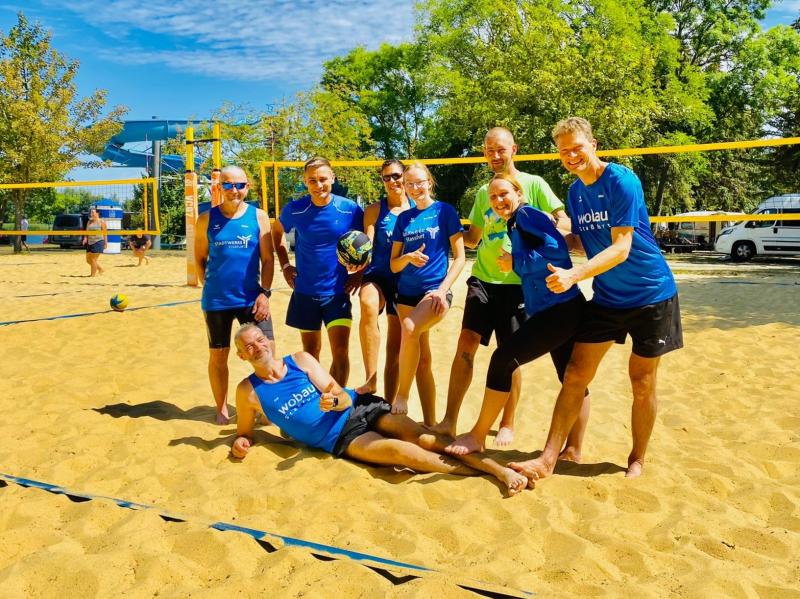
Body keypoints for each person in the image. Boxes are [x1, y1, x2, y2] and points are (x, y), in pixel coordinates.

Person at [509, 117, 683, 481]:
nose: (571, 156)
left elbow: (621, 247)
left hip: (651, 294)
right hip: (608, 297)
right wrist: (541, 238)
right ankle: (548, 458)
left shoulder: (621, 180)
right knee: (575, 373)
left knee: (641, 381)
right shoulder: (575, 192)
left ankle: (637, 458)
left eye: (577, 148)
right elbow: (582, 241)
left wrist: (574, 275)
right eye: (564, 151)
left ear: (593, 144)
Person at [231, 323, 530, 496]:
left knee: (426, 438)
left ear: (268, 340)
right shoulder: (248, 391)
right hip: (342, 438)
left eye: (260, 339)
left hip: (359, 407)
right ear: (242, 355)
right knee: (404, 454)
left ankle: (498, 470)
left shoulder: (300, 360)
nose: (258, 347)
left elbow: (341, 395)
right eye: (250, 346)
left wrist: (333, 401)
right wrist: (241, 444)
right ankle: (484, 472)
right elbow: (244, 433)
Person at [432, 127, 569, 446]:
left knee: (509, 353)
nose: (495, 155)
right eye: (489, 150)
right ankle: (449, 420)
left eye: (500, 149)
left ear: (514, 150)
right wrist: (444, 229)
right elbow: (473, 239)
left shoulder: (534, 184)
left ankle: (507, 421)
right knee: (466, 342)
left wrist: (542, 227)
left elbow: (563, 222)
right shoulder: (485, 192)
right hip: (483, 279)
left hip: (519, 283)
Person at [445, 174, 590, 458]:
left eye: (504, 194)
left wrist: (516, 261)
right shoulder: (516, 220)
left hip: (559, 308)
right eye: (493, 197)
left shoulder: (526, 214)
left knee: (503, 360)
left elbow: (556, 250)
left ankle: (477, 435)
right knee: (571, 377)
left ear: (519, 193)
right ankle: (573, 449)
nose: (498, 200)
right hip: (559, 306)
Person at [272, 157, 364, 386]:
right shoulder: (295, 209)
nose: (318, 185)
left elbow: (367, 243)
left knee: (340, 351)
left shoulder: (350, 209)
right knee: (311, 353)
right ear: (305, 181)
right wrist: (285, 265)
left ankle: (337, 400)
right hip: (305, 292)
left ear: (333, 178)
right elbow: (276, 233)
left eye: (323, 179)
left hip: (337, 293)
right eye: (312, 180)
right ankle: (316, 400)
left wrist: (359, 274)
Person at [195, 165, 275, 425]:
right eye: (228, 185)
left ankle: (266, 407)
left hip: (251, 299)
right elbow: (199, 258)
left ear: (247, 187)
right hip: (217, 301)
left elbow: (268, 259)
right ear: (219, 188)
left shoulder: (258, 217)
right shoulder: (206, 219)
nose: (234, 190)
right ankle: (221, 408)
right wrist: (210, 286)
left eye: (239, 185)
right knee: (219, 356)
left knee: (266, 351)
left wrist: (264, 293)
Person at [389, 162, 465, 424]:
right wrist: (408, 257)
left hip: (434, 291)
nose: (415, 188)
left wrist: (443, 290)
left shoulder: (444, 211)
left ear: (429, 182)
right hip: (406, 294)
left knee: (409, 329)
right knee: (421, 360)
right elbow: (394, 264)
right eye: (409, 184)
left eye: (419, 182)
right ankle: (431, 423)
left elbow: (460, 257)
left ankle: (402, 396)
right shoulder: (404, 219)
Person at [355, 159, 414, 401]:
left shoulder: (417, 208)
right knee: (367, 301)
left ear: (405, 175)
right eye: (386, 177)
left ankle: (389, 404)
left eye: (396, 175)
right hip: (378, 275)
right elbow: (367, 243)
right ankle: (371, 379)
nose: (392, 181)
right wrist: (356, 260)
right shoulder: (374, 210)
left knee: (395, 348)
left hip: (405, 280)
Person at [82, 208, 107, 277]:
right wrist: (85, 238)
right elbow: (87, 231)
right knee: (88, 260)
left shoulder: (102, 222)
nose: (91, 214)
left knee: (93, 259)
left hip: (98, 241)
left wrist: (105, 243)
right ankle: (100, 269)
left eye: (93, 212)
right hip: (90, 242)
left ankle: (92, 275)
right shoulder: (89, 222)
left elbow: (105, 233)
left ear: (97, 213)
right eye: (91, 212)